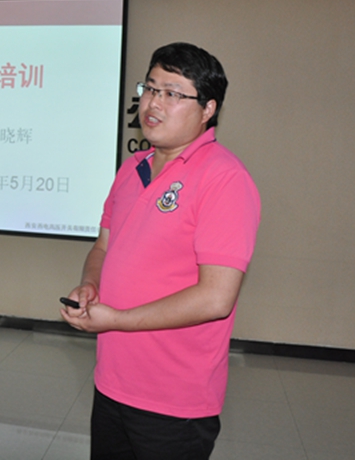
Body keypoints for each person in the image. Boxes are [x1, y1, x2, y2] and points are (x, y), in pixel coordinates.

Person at [61, 42, 261, 460]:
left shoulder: (224, 179)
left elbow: (216, 298)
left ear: (208, 109)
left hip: (174, 401)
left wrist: (118, 320)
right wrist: (90, 286)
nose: (153, 103)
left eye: (172, 93)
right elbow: (103, 246)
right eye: (150, 88)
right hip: (111, 383)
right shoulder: (132, 168)